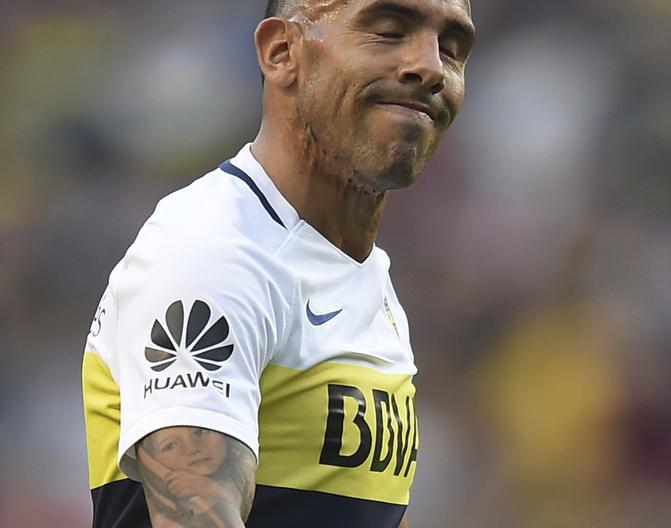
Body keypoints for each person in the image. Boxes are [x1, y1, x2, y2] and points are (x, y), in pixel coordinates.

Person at [81, 0, 475, 526]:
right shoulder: (215, 252)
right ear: (281, 52)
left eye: (450, 50)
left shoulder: (363, 278)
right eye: (387, 31)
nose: (430, 67)